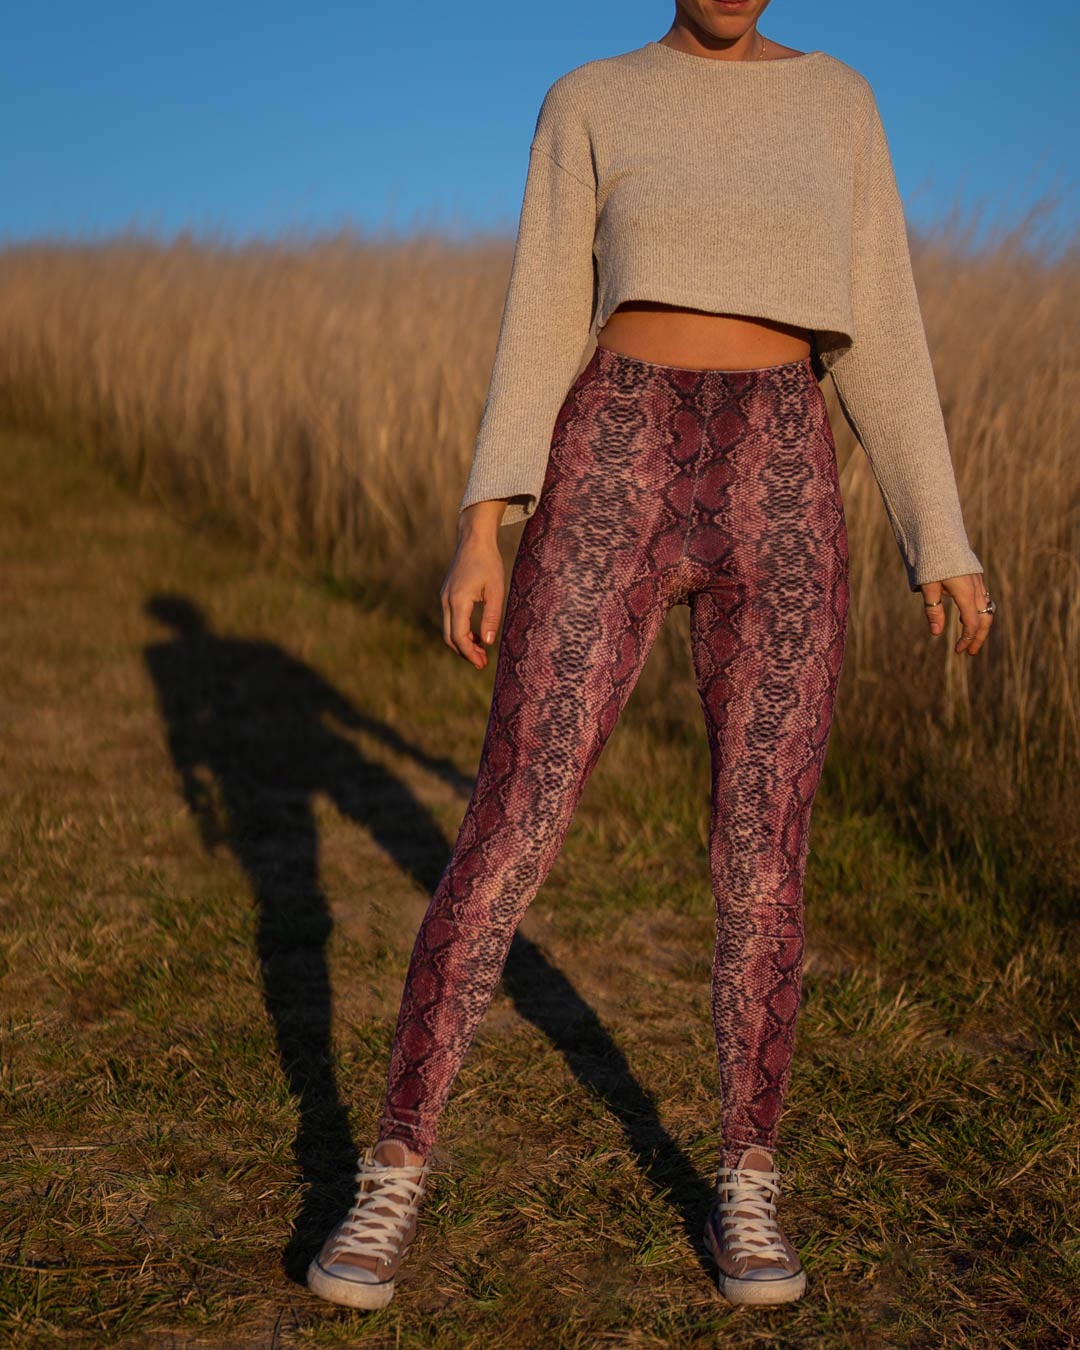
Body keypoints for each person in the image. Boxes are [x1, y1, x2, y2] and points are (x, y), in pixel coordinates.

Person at [307, 0, 996, 1312]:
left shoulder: (840, 102)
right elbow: (538, 316)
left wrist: (939, 534)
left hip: (784, 469)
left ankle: (747, 1174)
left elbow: (886, 331)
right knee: (510, 822)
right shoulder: (590, 99)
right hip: (611, 453)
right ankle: (393, 1166)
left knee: (762, 851)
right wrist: (484, 520)